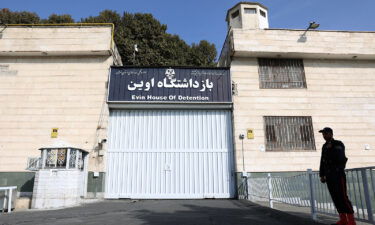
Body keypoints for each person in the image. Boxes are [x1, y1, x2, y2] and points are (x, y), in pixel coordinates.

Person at [319, 127, 356, 225]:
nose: (324, 136)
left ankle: (351, 221)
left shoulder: (338, 144)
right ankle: (343, 220)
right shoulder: (324, 146)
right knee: (335, 197)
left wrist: (332, 149)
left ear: (331, 134)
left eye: (326, 133)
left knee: (343, 197)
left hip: (338, 175)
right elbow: (322, 161)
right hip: (329, 176)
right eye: (323, 134)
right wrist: (322, 174)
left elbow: (341, 158)